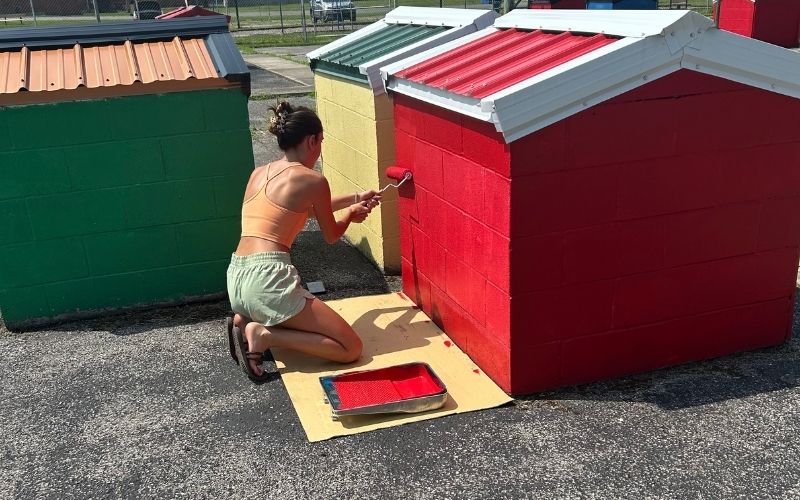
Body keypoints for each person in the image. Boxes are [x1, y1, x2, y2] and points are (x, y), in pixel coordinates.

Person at [226, 101, 380, 381]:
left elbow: (303, 210)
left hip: (237, 277)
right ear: (312, 141)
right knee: (351, 348)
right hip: (267, 280)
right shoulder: (313, 179)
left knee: (267, 305)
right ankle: (264, 335)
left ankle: (244, 318)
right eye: (320, 142)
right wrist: (350, 216)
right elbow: (331, 235)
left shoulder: (259, 173)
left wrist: (356, 198)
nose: (319, 151)